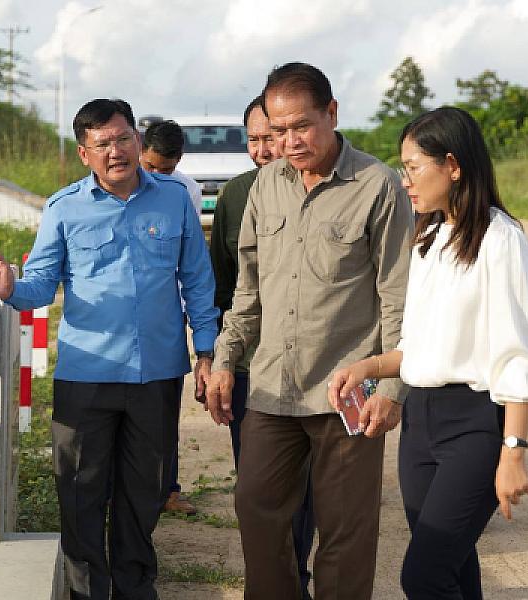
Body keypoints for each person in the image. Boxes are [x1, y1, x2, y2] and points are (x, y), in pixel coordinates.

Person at [0, 98, 218, 600]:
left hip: (156, 374)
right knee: (80, 495)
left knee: (145, 494)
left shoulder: (174, 200)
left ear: (138, 141)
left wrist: (206, 352)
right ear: (84, 154)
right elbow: (38, 287)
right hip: (87, 376)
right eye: (103, 144)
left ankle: (136, 588)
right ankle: (86, 592)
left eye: (123, 138)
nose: (116, 151)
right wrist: (8, 288)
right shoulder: (63, 208)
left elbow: (197, 281)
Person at [205, 62, 413, 599]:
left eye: (301, 127)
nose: (289, 143)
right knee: (255, 508)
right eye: (278, 131)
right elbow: (247, 293)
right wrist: (226, 360)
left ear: (332, 114)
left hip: (350, 391)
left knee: (346, 530)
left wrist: (392, 390)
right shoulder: (263, 188)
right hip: (273, 388)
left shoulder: (378, 186)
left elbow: (399, 299)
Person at [329, 106, 528, 600]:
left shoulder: (500, 239)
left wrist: (513, 453)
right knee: (454, 570)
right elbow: (419, 346)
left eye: (413, 167)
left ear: (452, 165)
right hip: (420, 426)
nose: (405, 180)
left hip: (473, 425)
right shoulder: (430, 235)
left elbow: (519, 356)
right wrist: (367, 367)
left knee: (423, 577)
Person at [208, 95, 315, 599]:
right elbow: (223, 288)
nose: (264, 148)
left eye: (270, 137)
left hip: (313, 372)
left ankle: (297, 578)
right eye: (254, 139)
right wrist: (213, 359)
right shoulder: (235, 195)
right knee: (258, 493)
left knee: (308, 492)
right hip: (250, 369)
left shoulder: (328, 189)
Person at [140, 119, 205, 516]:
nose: (158, 176)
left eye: (167, 170)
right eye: (151, 167)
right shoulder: (117, 184)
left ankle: (169, 488)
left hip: (169, 313)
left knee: (166, 404)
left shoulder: (187, 191)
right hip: (125, 315)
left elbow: (190, 259)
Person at [141, 119, 203, 216]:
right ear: (141, 151)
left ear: (179, 159)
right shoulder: (121, 184)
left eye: (165, 170)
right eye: (151, 166)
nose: (156, 175)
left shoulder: (189, 190)